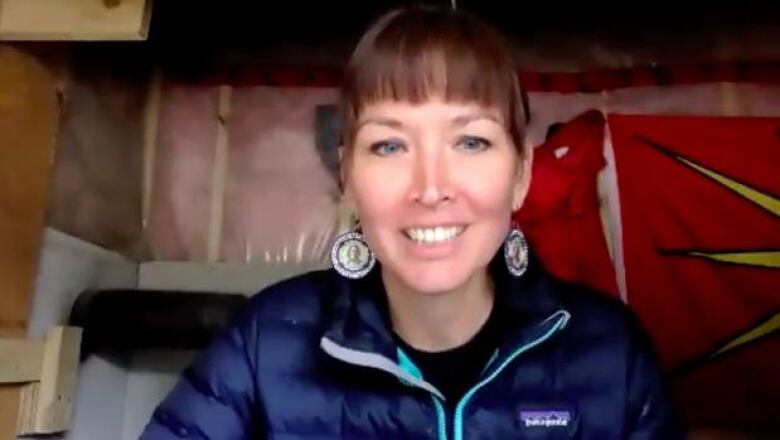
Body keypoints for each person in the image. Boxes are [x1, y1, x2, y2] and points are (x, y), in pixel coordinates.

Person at [140, 5, 684, 439]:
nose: (430, 187)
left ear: (521, 176)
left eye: (471, 141)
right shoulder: (264, 345)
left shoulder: (612, 355)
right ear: (347, 176)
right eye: (390, 144)